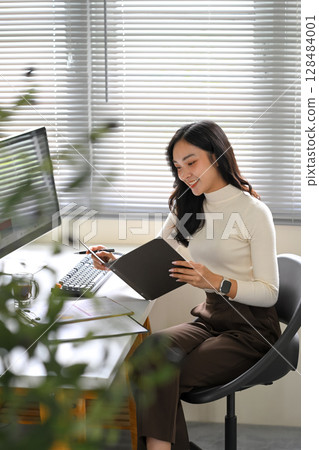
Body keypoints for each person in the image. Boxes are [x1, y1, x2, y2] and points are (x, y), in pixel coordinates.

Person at [90, 121, 281, 450]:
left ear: (217, 155)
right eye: (178, 167)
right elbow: (160, 254)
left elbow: (270, 292)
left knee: (160, 377)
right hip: (210, 318)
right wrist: (114, 261)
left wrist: (218, 282)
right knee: (148, 354)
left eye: (191, 162)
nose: (184, 174)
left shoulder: (253, 212)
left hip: (251, 328)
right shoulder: (189, 205)